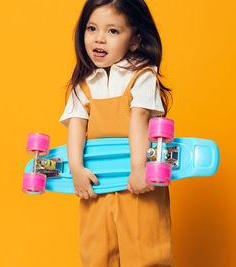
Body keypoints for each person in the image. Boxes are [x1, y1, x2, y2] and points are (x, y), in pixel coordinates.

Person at [59, 0, 174, 266]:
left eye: (112, 31)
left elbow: (139, 117)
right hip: (97, 181)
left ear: (134, 41)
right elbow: (76, 124)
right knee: (96, 252)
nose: (99, 38)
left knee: (144, 250)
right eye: (91, 28)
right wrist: (76, 169)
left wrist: (138, 167)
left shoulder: (141, 75)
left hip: (138, 181)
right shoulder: (83, 83)